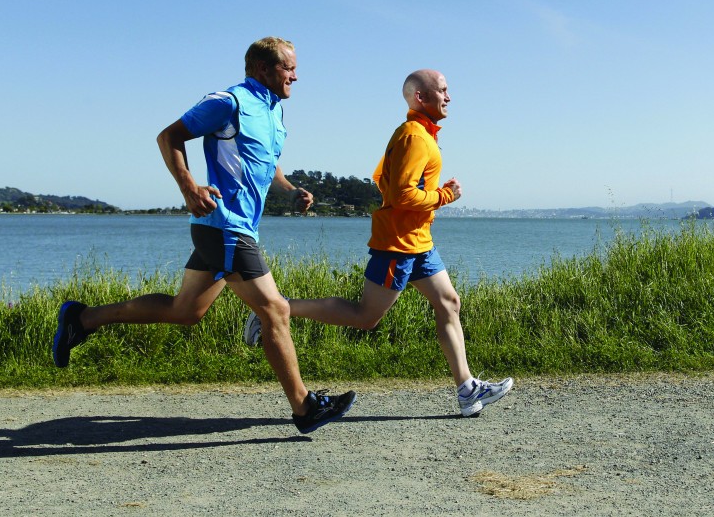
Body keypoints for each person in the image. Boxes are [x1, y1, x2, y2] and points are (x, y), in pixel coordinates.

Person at [52, 37, 355, 434]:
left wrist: (289, 189)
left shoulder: (274, 112)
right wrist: (189, 187)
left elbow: (266, 163)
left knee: (185, 311)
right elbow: (169, 137)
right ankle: (304, 407)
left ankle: (82, 318)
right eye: (288, 68)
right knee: (275, 310)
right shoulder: (228, 102)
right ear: (263, 69)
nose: (295, 76)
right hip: (225, 226)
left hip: (234, 228)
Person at [243, 69, 513, 417]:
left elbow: (381, 178)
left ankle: (466, 389)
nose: (449, 97)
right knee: (365, 317)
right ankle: (275, 310)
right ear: (421, 97)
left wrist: (418, 205)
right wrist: (445, 195)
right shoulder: (415, 137)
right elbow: (401, 194)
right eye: (443, 90)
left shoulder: (417, 135)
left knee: (449, 302)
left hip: (418, 241)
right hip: (398, 245)